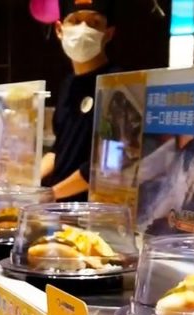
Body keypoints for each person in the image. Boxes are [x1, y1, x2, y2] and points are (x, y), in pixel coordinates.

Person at [41, 0, 118, 201]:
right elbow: (59, 150)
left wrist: (51, 194)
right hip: (58, 206)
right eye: (75, 21)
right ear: (59, 30)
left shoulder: (117, 85)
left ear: (108, 34)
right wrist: (27, 181)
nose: (83, 29)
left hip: (92, 209)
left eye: (94, 23)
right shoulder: (68, 84)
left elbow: (106, 163)